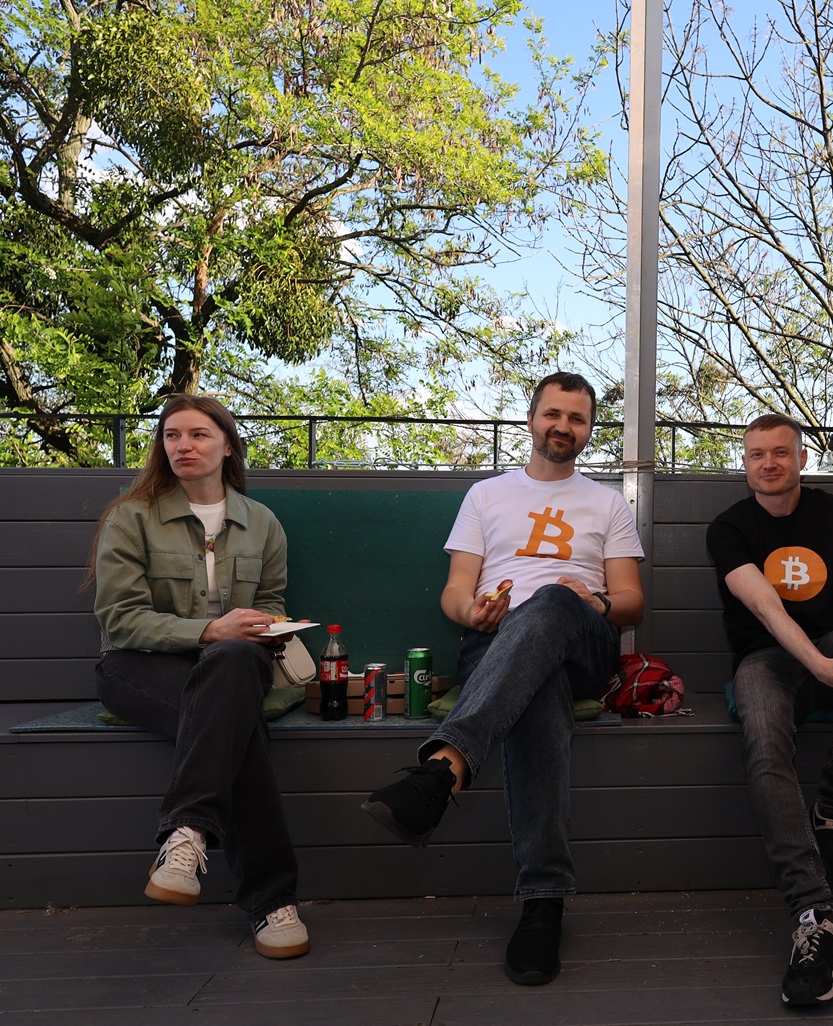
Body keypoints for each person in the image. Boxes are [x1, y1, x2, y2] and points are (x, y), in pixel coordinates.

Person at [359, 372, 644, 987]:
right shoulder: (486, 495)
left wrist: (592, 601)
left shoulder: (607, 502)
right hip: (495, 642)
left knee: (552, 601)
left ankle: (443, 768)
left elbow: (631, 603)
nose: (563, 426)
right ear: (531, 419)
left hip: (582, 639)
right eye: (553, 414)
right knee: (537, 690)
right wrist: (473, 613)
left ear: (589, 430)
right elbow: (456, 590)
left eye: (577, 418)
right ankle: (544, 903)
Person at [89, 394, 309, 960]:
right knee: (238, 728)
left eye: (198, 434)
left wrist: (266, 626)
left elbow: (271, 601)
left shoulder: (261, 522)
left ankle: (186, 835)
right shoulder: (131, 516)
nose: (182, 445)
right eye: (171, 435)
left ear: (228, 445)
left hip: (234, 665)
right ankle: (272, 901)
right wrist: (209, 631)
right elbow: (120, 619)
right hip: (139, 665)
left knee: (233, 668)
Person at [708, 413, 833, 1006]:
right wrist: (820, 668)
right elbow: (767, 608)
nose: (768, 463)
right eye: (756, 454)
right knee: (763, 733)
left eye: (780, 452)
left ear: (801, 458)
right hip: (767, 659)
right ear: (745, 464)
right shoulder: (728, 527)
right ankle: (813, 912)